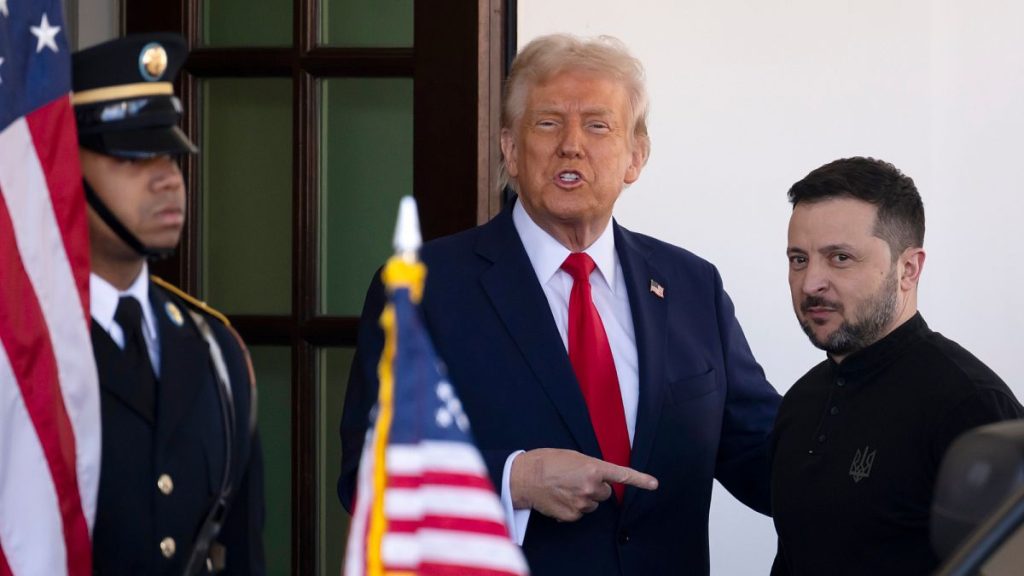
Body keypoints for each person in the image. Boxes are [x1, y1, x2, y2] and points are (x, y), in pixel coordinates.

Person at [340, 34, 781, 575]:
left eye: (598, 125)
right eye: (548, 123)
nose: (571, 144)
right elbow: (368, 474)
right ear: (509, 149)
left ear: (636, 156)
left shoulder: (693, 286)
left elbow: (766, 456)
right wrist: (514, 481)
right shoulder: (426, 289)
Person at [771, 157, 1024, 575]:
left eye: (840, 258)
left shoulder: (971, 406)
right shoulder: (800, 401)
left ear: (908, 269)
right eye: (799, 259)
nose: (810, 282)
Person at [72, 33, 265, 575]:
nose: (167, 178)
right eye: (133, 158)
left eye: (171, 154)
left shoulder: (216, 349)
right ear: (64, 171)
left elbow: (242, 553)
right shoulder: (22, 350)